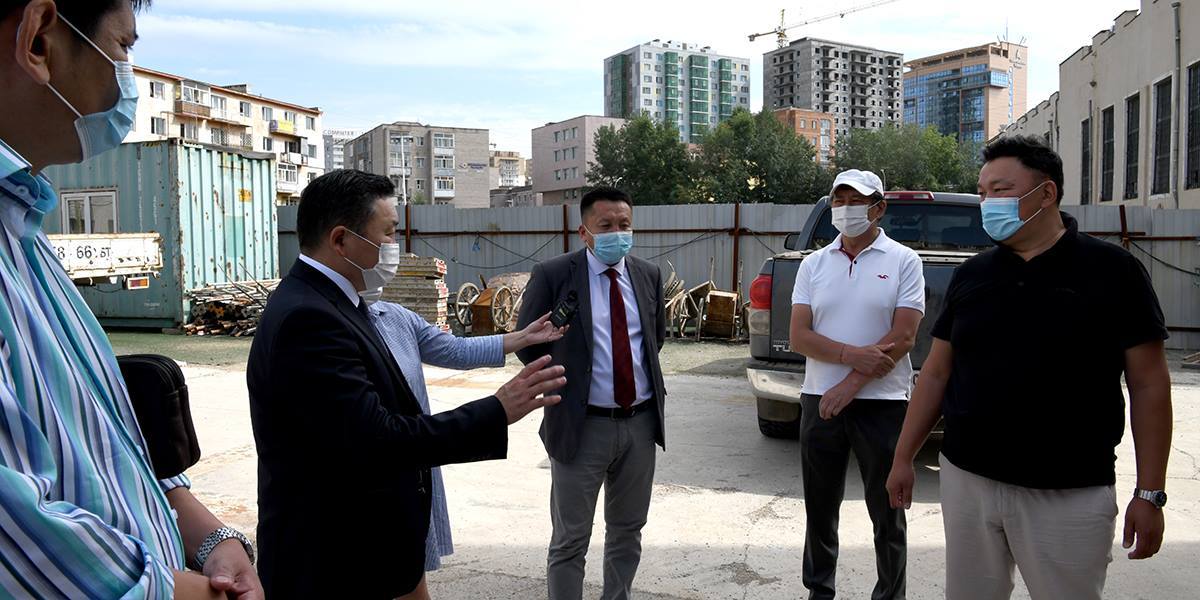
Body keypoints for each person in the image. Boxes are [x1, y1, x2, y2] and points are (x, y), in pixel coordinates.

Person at [0, 1, 259, 598]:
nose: (127, 77)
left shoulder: (24, 227)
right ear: (39, 40)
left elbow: (93, 436)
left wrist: (204, 533)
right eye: (122, 47)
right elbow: (23, 546)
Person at [247, 169, 566, 600]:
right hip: (333, 557)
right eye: (389, 233)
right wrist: (495, 410)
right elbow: (376, 439)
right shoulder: (311, 319)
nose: (395, 246)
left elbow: (447, 352)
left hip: (364, 541)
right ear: (341, 240)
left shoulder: (339, 305)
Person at [886, 135, 1173, 600]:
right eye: (982, 193)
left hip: (1068, 492)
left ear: (1046, 193)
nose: (988, 203)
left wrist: (1150, 493)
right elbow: (936, 373)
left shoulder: (1113, 271)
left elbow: (1149, 384)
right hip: (968, 481)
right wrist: (903, 457)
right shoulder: (973, 274)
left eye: (1000, 190)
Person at [515, 186, 667, 600]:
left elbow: (654, 339)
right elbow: (528, 343)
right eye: (606, 225)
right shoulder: (554, 274)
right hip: (581, 426)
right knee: (570, 539)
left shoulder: (648, 275)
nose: (617, 233)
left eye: (624, 225)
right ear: (584, 232)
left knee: (628, 530)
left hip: (639, 424)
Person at [789, 169, 924, 600]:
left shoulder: (903, 260)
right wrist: (851, 355)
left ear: (878, 208)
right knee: (819, 508)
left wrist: (850, 385)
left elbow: (904, 336)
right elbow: (799, 336)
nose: (846, 209)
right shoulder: (813, 264)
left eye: (857, 201)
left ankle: (890, 594)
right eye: (839, 200)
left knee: (887, 512)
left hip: (882, 403)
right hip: (819, 400)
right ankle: (819, 591)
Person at [364, 291, 567, 572]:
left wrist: (523, 337)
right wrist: (495, 410)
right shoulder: (326, 321)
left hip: (413, 464)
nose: (387, 263)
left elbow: (455, 349)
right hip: (373, 470)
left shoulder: (395, 317)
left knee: (410, 569)